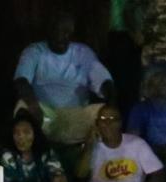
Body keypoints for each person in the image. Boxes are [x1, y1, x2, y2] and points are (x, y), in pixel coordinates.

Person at [13, 11, 114, 145]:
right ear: (48, 32)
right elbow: (21, 81)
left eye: (66, 32)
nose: (61, 37)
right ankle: (31, 157)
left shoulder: (83, 53)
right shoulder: (34, 51)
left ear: (71, 33)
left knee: (105, 113)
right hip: (46, 118)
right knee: (23, 107)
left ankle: (103, 156)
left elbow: (105, 82)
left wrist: (112, 104)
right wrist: (34, 106)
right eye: (57, 32)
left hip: (77, 118)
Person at [0, 111, 68, 182]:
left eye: (26, 132)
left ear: (35, 134)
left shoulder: (46, 153)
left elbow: (58, 177)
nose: (21, 137)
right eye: (16, 133)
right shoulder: (8, 156)